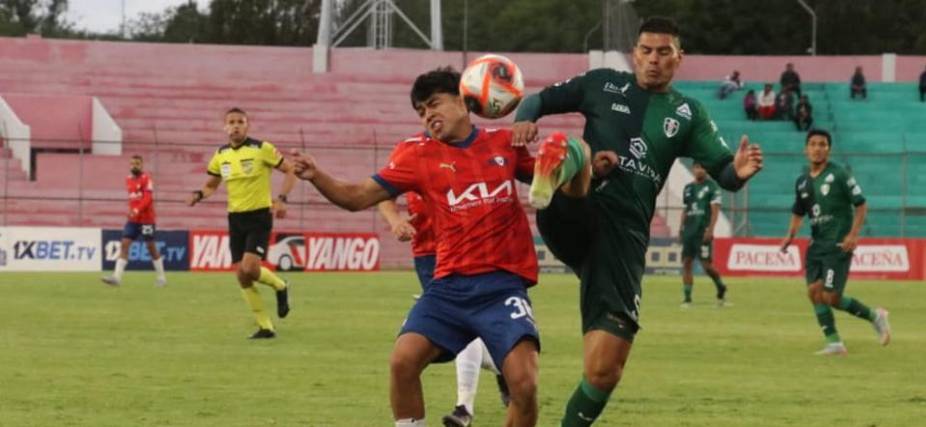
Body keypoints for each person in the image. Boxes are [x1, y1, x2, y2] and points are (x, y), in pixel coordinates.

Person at [291, 67, 595, 427]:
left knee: (524, 385)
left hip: (502, 288)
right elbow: (357, 197)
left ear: (465, 102)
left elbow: (557, 180)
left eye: (434, 104)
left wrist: (581, 159)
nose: (428, 115)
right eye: (421, 111)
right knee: (402, 361)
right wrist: (318, 176)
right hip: (448, 287)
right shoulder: (416, 156)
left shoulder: (503, 145)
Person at [512, 17, 763, 426]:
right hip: (574, 209)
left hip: (622, 238)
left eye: (664, 52)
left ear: (679, 58)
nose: (653, 60)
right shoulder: (602, 83)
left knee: (604, 370)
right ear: (635, 54)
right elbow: (538, 101)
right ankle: (557, 165)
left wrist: (739, 169)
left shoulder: (687, 113)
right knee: (578, 152)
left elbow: (725, 173)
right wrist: (525, 117)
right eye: (646, 51)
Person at [377, 195, 512, 427]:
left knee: (462, 324)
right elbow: (383, 193)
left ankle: (464, 409)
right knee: (456, 330)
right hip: (427, 254)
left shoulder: (465, 159)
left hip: (465, 248)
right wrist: (395, 220)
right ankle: (503, 366)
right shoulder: (409, 158)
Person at [781, 129, 892, 356]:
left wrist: (853, 235)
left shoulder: (840, 174)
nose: (817, 148)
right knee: (813, 292)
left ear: (828, 149)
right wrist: (790, 235)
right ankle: (834, 343)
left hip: (838, 244)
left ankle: (875, 316)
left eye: (822, 144)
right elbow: (798, 211)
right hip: (816, 244)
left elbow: (861, 205)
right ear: (806, 149)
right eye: (813, 144)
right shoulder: (802, 182)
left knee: (831, 296)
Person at [187, 108, 295, 339]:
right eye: (231, 122)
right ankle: (266, 327)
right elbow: (211, 185)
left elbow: (290, 170)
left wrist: (282, 199)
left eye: (240, 122)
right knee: (242, 276)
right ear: (224, 127)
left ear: (248, 126)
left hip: (258, 215)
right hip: (235, 218)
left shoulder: (261, 149)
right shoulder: (220, 154)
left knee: (249, 268)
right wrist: (198, 195)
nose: (235, 126)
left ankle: (280, 285)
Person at [101, 155, 167, 287]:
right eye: (132, 163)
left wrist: (137, 210)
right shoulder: (128, 179)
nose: (134, 166)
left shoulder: (146, 179)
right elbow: (133, 198)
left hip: (147, 219)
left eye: (137, 163)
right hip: (133, 220)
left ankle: (161, 278)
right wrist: (132, 211)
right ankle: (116, 278)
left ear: (141, 165)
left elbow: (147, 199)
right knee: (125, 244)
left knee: (151, 247)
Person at [679, 162, 728, 308]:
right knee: (686, 263)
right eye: (697, 167)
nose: (699, 170)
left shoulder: (712, 187)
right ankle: (687, 299)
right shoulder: (688, 188)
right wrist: (681, 227)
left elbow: (715, 210)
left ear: (706, 169)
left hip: (702, 231)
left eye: (703, 167)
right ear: (693, 169)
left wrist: (711, 229)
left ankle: (720, 286)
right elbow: (685, 209)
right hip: (689, 232)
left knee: (706, 266)